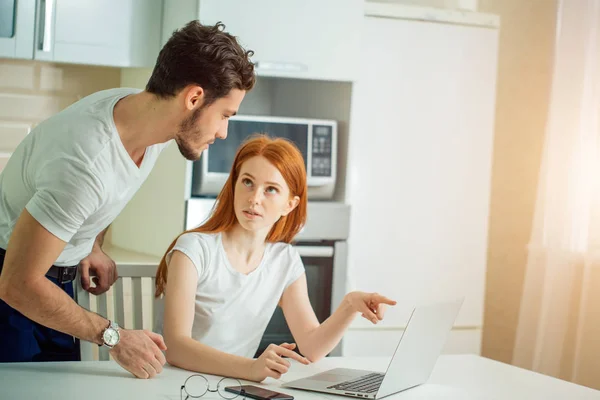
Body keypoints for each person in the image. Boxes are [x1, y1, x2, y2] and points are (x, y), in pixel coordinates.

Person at [0, 20, 255, 379]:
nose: (223, 131)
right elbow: (17, 283)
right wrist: (115, 337)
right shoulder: (84, 161)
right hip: (13, 291)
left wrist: (91, 244)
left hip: (57, 283)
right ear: (194, 97)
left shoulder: (145, 120)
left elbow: (107, 187)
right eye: (225, 115)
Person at [154, 134, 396, 382]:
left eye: (270, 189)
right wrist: (250, 369)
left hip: (232, 388)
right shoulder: (194, 249)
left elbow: (312, 347)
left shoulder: (285, 261)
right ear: (234, 185)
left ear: (289, 205)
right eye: (247, 182)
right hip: (178, 385)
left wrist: (349, 306)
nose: (254, 198)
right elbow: (176, 346)